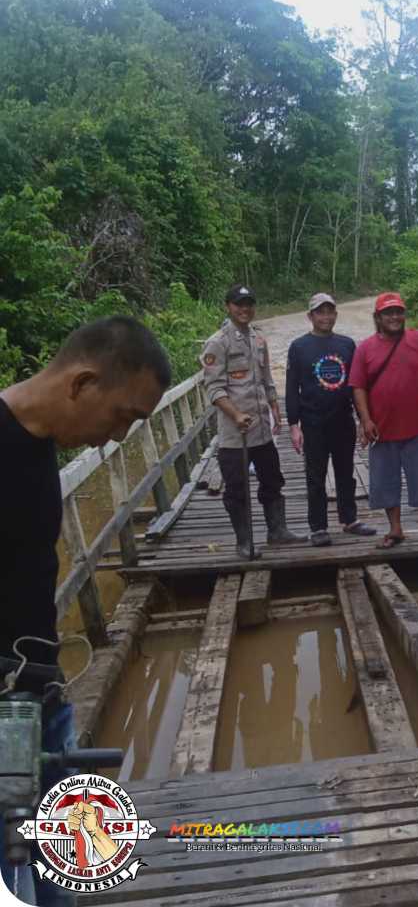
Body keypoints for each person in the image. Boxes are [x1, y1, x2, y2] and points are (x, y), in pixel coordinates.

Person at [0, 315, 171, 906]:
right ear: (82, 384)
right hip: (5, 712)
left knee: (62, 874)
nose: (119, 437)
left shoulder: (40, 443)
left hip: (40, 697)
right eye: (123, 416)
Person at [201, 283, 304, 558]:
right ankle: (243, 542)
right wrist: (235, 414)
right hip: (235, 434)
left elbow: (266, 379)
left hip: (261, 430)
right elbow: (213, 388)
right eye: (238, 304)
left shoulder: (258, 340)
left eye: (248, 304)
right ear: (228, 307)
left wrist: (275, 408)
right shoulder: (218, 342)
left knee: (272, 479)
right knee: (236, 488)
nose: (244, 309)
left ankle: (277, 531)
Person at [349, 292, 418, 550]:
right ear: (378, 317)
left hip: (417, 428)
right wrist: (366, 419)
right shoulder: (365, 348)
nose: (394, 317)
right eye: (388, 313)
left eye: (398, 312)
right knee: (385, 482)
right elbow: (358, 387)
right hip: (382, 429)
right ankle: (395, 529)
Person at [285, 292, 376, 547]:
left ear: (335, 314)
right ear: (310, 316)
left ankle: (350, 519)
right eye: (320, 312)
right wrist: (294, 425)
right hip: (313, 422)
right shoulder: (299, 347)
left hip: (342, 419)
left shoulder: (347, 345)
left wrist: (362, 419)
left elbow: (357, 385)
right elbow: (292, 388)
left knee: (345, 472)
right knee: (316, 475)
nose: (325, 317)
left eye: (329, 311)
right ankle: (318, 526)